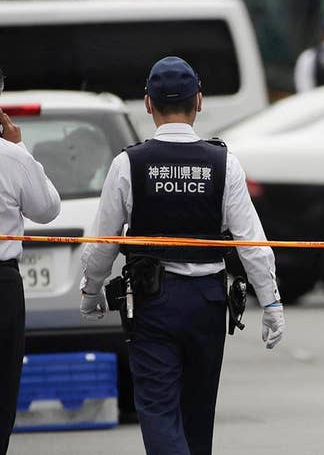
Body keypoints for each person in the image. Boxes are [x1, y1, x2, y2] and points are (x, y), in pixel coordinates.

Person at [79, 57, 286, 455]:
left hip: (153, 303)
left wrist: (91, 292)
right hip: (208, 302)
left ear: (147, 103)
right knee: (197, 413)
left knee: (158, 409)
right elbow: (252, 243)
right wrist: (272, 302)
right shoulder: (224, 163)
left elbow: (103, 241)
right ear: (200, 101)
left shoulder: (129, 164)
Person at [0, 75, 61, 455]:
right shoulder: (10, 156)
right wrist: (21, 149)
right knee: (2, 389)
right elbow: (47, 209)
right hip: (2, 285)